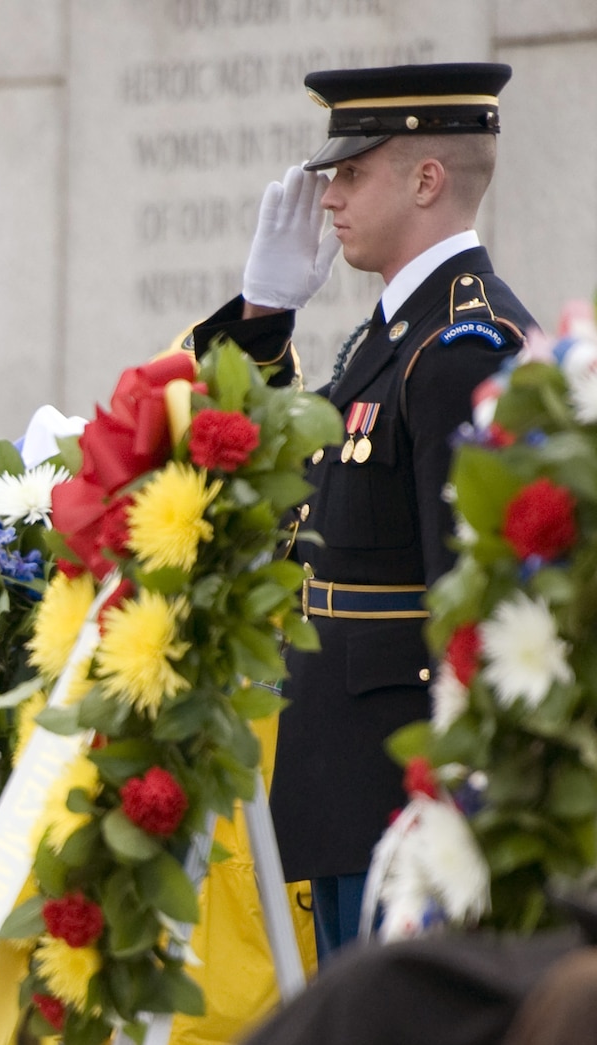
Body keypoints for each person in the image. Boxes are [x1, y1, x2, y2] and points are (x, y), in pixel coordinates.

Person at [191, 63, 533, 960]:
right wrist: (263, 319)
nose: (327, 196)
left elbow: (470, 604)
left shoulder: (460, 347)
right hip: (349, 788)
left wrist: (452, 808)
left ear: (426, 180)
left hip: (401, 797)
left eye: (350, 172)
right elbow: (267, 494)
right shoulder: (390, 338)